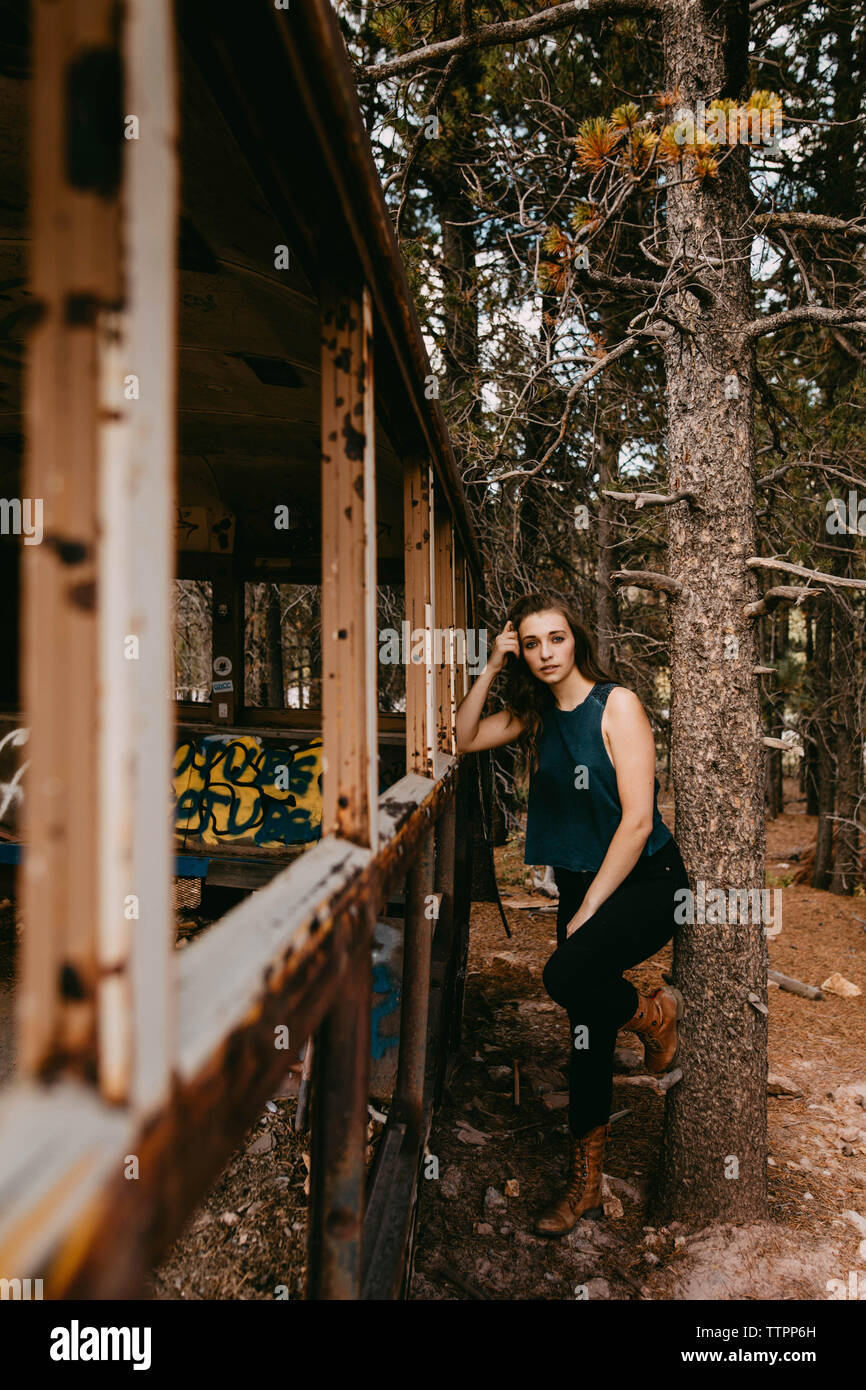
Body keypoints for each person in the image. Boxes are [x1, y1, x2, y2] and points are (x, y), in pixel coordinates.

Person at [455, 589, 690, 1236]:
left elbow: (639, 820)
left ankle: (655, 1017)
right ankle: (586, 1186)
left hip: (648, 882)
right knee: (585, 1030)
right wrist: (493, 665)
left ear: (575, 639)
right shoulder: (534, 715)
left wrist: (588, 908)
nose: (544, 653)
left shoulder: (617, 705)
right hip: (583, 882)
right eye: (530, 643)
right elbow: (463, 735)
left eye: (554, 638)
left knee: (563, 979)